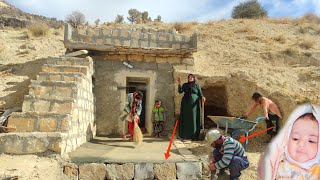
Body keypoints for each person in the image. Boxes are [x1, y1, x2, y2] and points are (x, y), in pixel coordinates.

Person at [258, 103, 320, 180]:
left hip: (274, 116)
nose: (301, 144)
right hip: (273, 117)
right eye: (295, 138)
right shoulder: (279, 166)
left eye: (311, 141)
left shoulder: (317, 170)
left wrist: (270, 116)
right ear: (286, 141)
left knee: (273, 128)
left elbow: (266, 110)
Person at [177, 74, 205, 140]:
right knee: (186, 118)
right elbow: (180, 91)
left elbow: (200, 94)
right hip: (186, 104)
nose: (190, 78)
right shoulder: (185, 85)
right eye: (189, 77)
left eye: (192, 77)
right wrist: (179, 83)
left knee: (193, 118)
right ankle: (185, 135)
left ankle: (194, 135)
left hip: (194, 105)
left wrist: (203, 97)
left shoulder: (197, 86)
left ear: (194, 78)